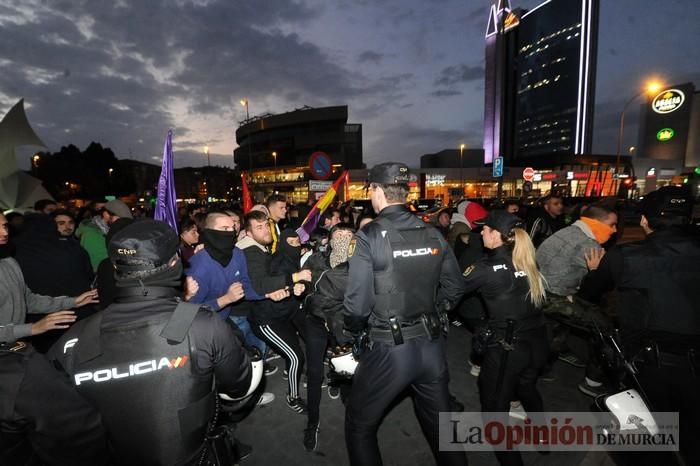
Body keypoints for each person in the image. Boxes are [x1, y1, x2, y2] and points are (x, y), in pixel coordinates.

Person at [49, 219, 259, 465]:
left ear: (117, 270)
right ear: (174, 264)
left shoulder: (75, 338)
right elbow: (237, 387)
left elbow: (55, 424)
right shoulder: (198, 324)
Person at [343, 162, 467, 466]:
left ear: (377, 192)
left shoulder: (369, 235)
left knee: (359, 425)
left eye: (371, 190)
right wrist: (435, 311)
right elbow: (455, 286)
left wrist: (354, 331)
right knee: (442, 429)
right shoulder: (433, 232)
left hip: (390, 349)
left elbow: (357, 305)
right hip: (432, 346)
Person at [0, 212, 107, 466]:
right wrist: (30, 328)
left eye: (3, 225)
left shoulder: (9, 263)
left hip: (17, 352)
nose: (3, 231)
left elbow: (29, 298)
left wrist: (73, 300)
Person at [605, 187, 700, 465]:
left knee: (649, 442)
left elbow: (591, 294)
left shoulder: (626, 256)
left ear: (644, 221)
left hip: (651, 367)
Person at [461, 211, 548, 466]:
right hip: (538, 342)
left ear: (497, 235)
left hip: (508, 349)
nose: (480, 233)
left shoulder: (485, 268)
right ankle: (543, 440)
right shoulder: (528, 260)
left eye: (485, 229)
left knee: (494, 409)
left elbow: (452, 290)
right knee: (527, 388)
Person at [536, 202, 617, 394]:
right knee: (605, 328)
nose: (614, 230)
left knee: (554, 330)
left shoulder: (567, 232)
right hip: (553, 297)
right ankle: (593, 382)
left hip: (542, 290)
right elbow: (602, 283)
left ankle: (542, 367)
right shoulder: (588, 245)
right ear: (597, 222)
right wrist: (597, 271)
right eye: (612, 224)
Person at [237, 211, 310, 414]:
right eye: (258, 227)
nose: (265, 230)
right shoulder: (253, 252)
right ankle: (293, 398)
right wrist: (294, 279)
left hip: (279, 314)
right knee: (296, 356)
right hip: (265, 320)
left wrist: (290, 290)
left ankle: (290, 371)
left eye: (265, 225)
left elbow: (271, 285)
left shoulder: (266, 249)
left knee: (295, 354)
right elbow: (262, 284)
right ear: (248, 233)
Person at [301, 223, 355, 451]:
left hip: (342, 324)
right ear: (329, 240)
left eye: (348, 236)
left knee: (346, 366)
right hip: (316, 322)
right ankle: (312, 422)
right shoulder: (315, 260)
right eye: (339, 235)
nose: (343, 239)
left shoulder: (360, 264)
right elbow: (307, 290)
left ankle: (341, 387)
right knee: (314, 373)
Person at [76, 199, 133, 271]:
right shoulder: (92, 236)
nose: (123, 224)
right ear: (106, 215)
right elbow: (101, 268)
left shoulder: (111, 232)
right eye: (120, 219)